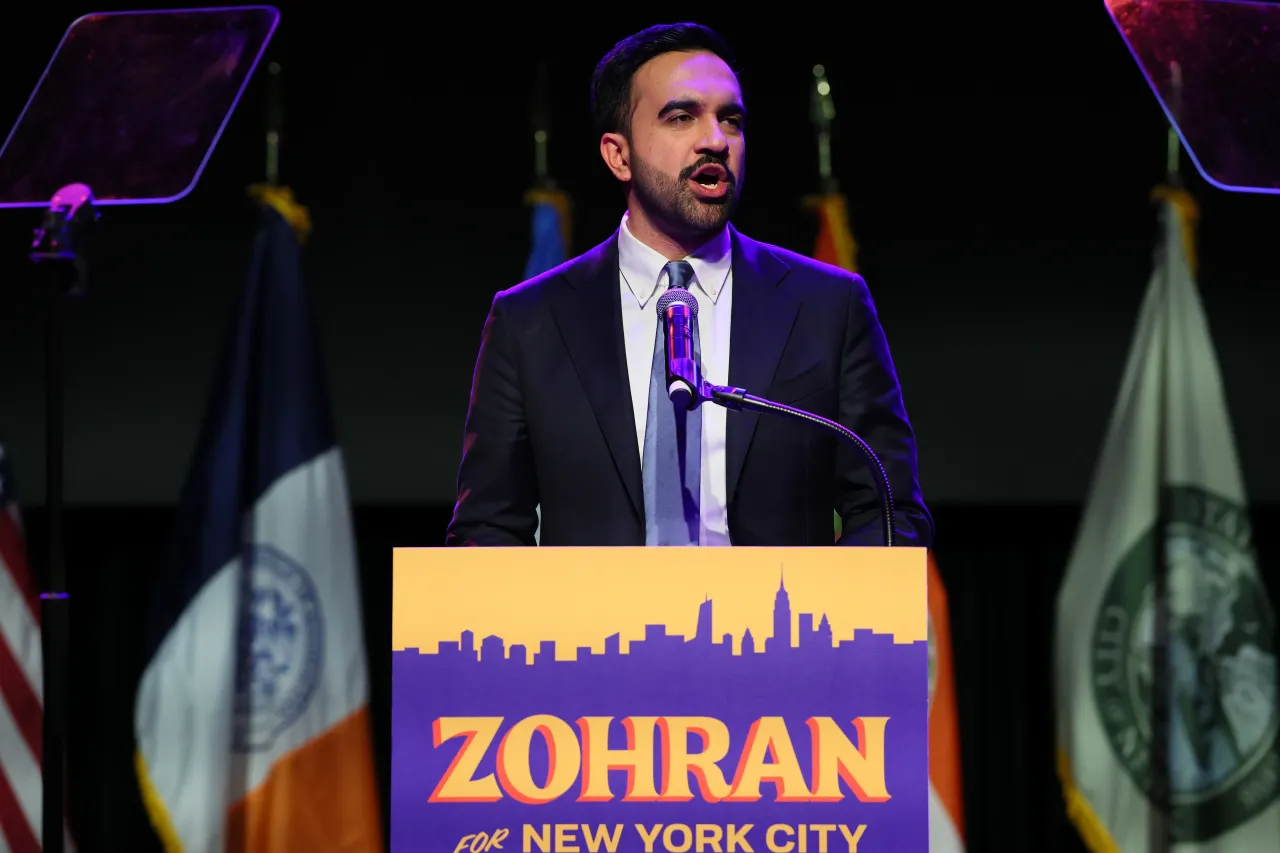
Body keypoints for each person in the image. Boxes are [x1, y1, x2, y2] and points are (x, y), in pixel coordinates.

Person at [446, 22, 933, 548]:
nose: (715, 140)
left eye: (731, 119)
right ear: (619, 155)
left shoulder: (828, 307)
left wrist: (821, 623)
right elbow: (488, 530)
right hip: (595, 631)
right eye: (681, 117)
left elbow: (889, 513)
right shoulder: (529, 322)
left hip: (774, 626)